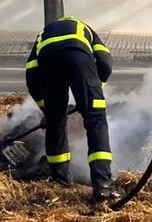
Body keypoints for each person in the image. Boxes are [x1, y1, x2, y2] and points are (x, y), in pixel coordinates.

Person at [24, 16, 116, 202]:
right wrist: (94, 90)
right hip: (79, 58)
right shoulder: (84, 28)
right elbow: (105, 61)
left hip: (49, 63)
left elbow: (31, 76)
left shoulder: (43, 35)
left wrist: (47, 111)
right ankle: (102, 186)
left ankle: (60, 180)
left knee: (56, 122)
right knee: (96, 119)